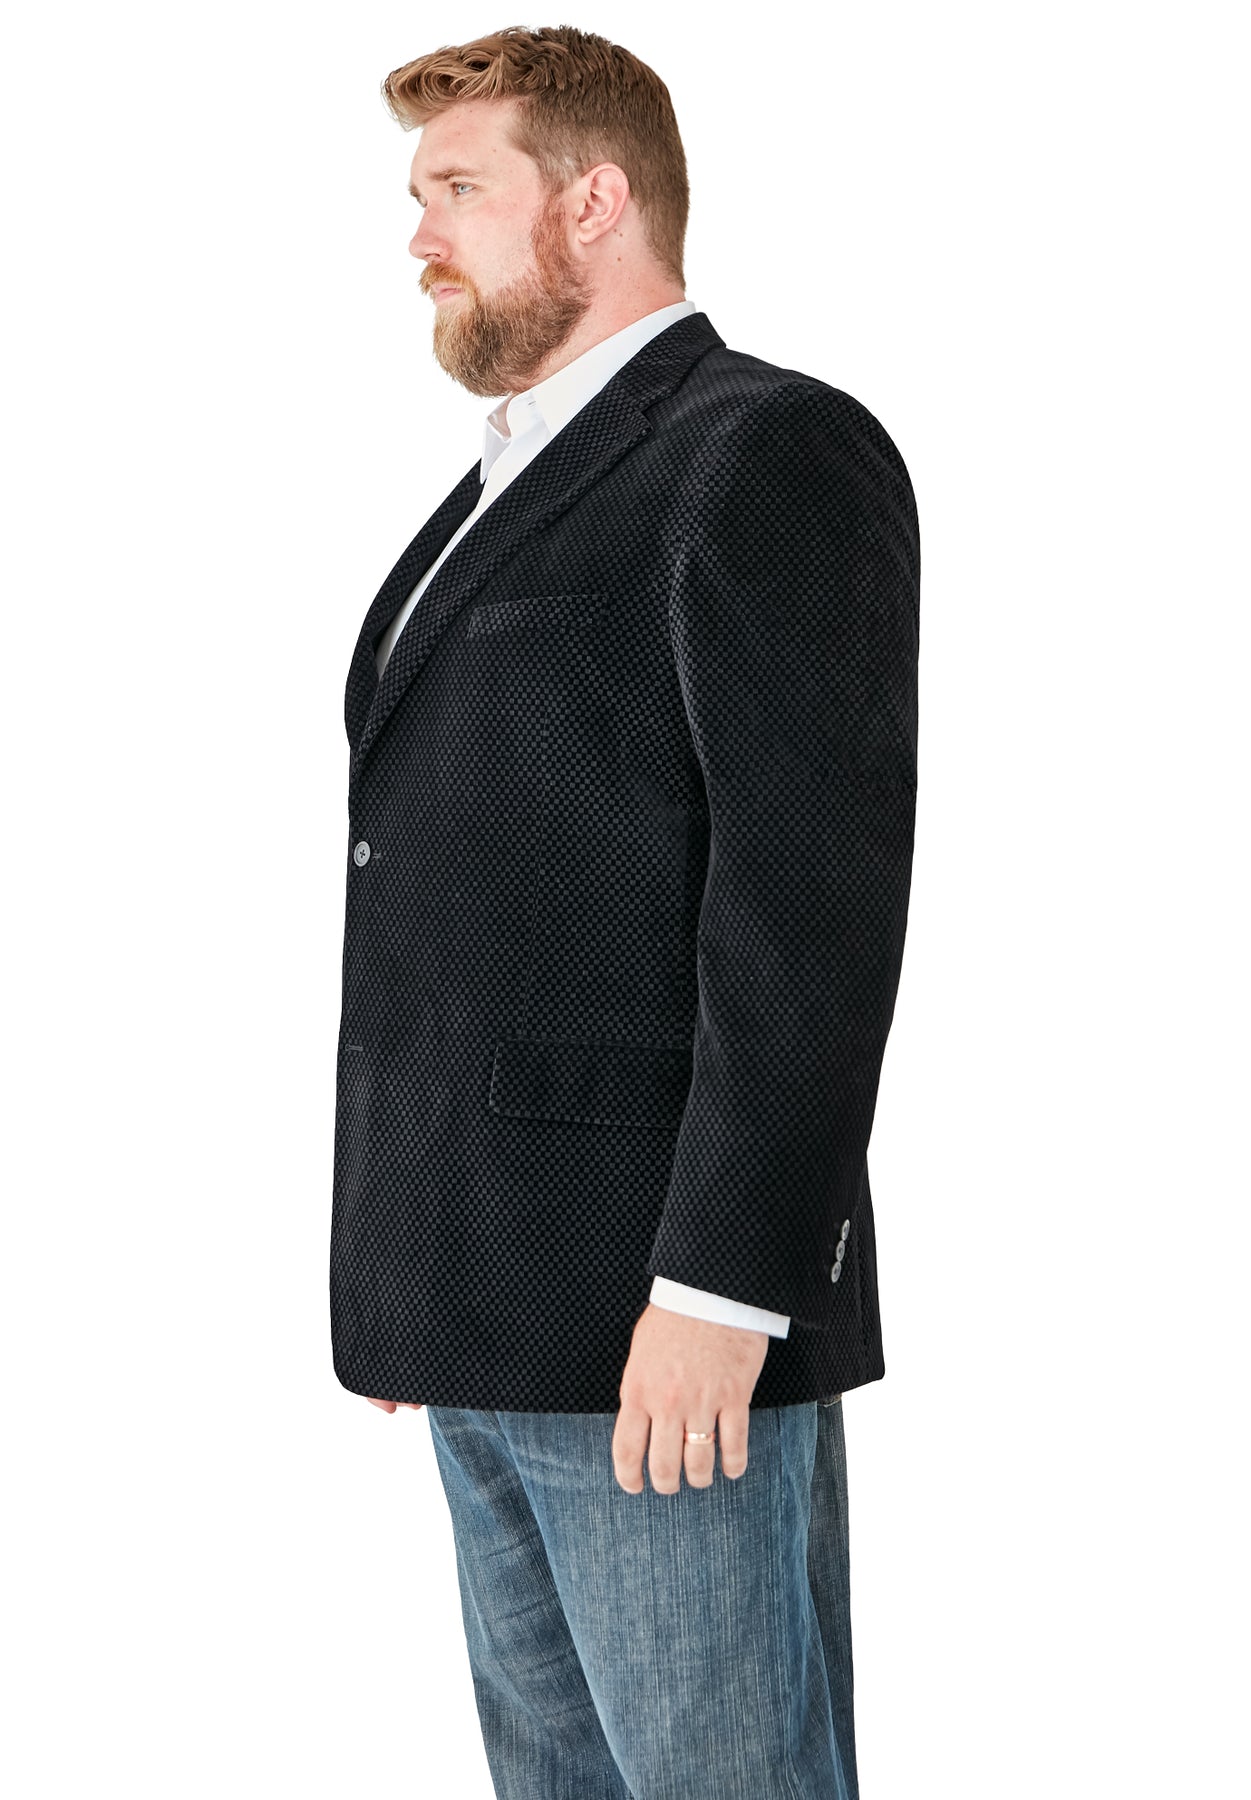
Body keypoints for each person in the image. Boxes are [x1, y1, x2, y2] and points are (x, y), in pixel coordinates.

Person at [329, 24, 919, 1798]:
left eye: (458, 188)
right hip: (489, 1305)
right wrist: (414, 1254)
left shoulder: (765, 452)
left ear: (594, 200)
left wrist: (727, 1290)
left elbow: (810, 910)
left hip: (661, 1327)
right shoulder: (503, 481)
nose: (419, 233)